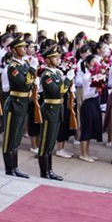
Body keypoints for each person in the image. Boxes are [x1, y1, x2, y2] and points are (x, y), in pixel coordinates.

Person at [38, 47, 74, 180]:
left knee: (51, 142)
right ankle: (44, 171)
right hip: (49, 110)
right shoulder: (47, 75)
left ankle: (49, 170)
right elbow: (58, 92)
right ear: (47, 60)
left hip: (57, 110)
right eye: (54, 57)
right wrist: (68, 80)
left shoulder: (57, 73)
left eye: (58, 57)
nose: (58, 59)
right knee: (46, 142)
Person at [2, 37, 34, 178]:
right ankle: (9, 168)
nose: (25, 49)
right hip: (14, 103)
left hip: (23, 103)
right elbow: (24, 83)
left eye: (25, 47)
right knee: (10, 137)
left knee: (17, 137)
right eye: (22, 47)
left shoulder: (25, 64)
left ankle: (15, 167)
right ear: (14, 50)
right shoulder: (13, 67)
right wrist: (33, 70)